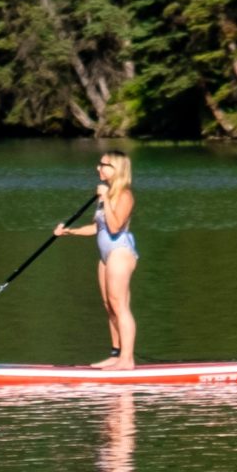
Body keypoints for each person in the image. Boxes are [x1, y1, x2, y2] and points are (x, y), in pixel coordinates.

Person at [54, 151, 137, 367]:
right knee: (109, 305)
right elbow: (97, 227)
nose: (98, 168)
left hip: (120, 252)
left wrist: (106, 198)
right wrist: (69, 232)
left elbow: (115, 226)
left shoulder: (124, 195)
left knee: (120, 305)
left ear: (116, 169)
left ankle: (127, 360)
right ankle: (116, 354)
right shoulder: (106, 195)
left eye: (103, 164)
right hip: (105, 256)